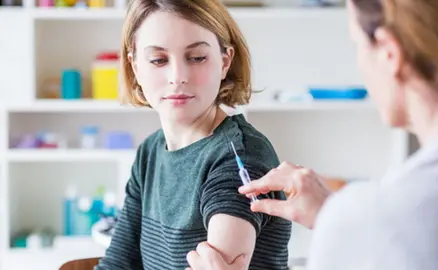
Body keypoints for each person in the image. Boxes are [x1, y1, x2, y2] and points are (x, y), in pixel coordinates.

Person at [186, 0, 438, 269]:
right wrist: (334, 214)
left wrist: (346, 223)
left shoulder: (379, 217)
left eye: (357, 45)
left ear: (390, 53)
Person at [94, 0, 292, 269]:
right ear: (135, 67)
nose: (178, 76)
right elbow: (118, 263)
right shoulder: (150, 151)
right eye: (158, 60)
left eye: (197, 57)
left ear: (225, 61)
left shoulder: (239, 158)